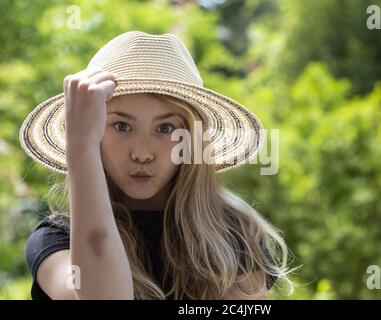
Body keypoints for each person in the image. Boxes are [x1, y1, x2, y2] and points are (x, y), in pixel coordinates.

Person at [19, 31, 297, 300]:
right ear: (93, 132)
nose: (142, 153)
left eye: (165, 128)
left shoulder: (235, 235)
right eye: (121, 126)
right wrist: (80, 148)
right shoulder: (56, 242)